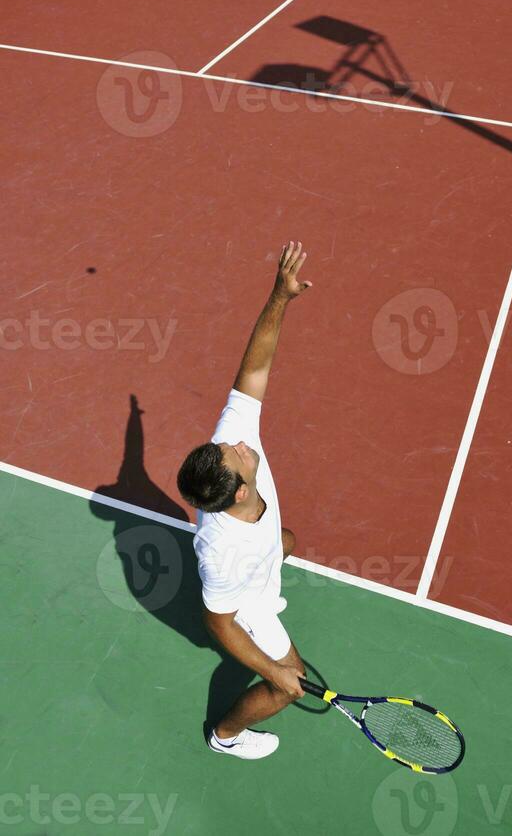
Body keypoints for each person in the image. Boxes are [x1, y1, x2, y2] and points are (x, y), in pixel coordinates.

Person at [177, 241, 312, 760]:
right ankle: (224, 736)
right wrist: (271, 668)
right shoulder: (221, 553)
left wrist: (280, 294)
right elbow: (219, 621)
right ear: (239, 490)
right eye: (234, 453)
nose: (236, 442)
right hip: (244, 602)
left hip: (260, 557)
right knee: (288, 684)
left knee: (287, 540)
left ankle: (275, 560)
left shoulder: (231, 451)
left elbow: (255, 367)